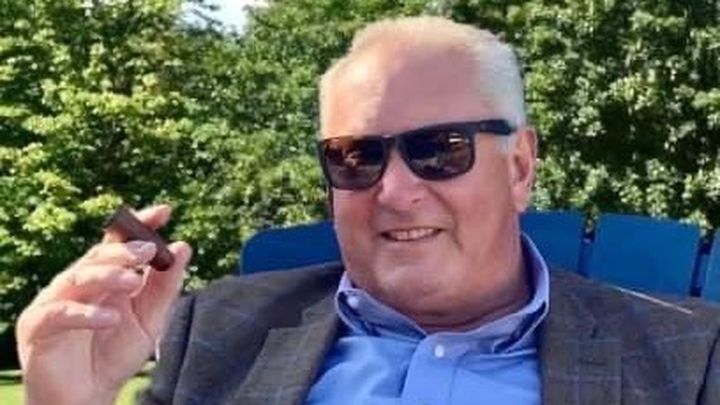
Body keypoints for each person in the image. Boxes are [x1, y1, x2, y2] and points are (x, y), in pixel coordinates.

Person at [16, 16, 720, 405]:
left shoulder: (687, 361)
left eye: (439, 149)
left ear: (520, 167)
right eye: (356, 157)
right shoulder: (218, 334)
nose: (394, 190)